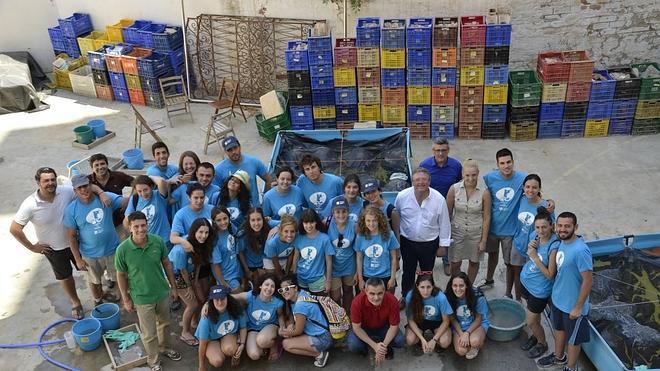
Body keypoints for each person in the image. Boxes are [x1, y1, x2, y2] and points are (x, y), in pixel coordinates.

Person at [11, 167, 88, 319]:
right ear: (38, 182)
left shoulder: (66, 191)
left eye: (53, 179)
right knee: (65, 277)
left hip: (76, 242)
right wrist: (32, 247)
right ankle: (75, 301)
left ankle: (99, 294)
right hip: (53, 249)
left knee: (90, 269)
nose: (50, 183)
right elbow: (15, 228)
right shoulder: (30, 204)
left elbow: (86, 190)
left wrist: (100, 193)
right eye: (46, 180)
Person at [116, 211, 181, 371]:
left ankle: (164, 348)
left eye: (143, 225)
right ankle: (154, 361)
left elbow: (167, 264)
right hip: (141, 297)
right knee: (149, 333)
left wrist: (173, 287)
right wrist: (126, 299)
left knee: (165, 324)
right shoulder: (123, 250)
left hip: (162, 293)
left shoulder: (157, 241)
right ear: (130, 228)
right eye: (136, 226)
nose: (140, 229)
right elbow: (121, 275)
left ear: (148, 225)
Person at [537, 212, 592, 371]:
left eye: (567, 226)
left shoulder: (581, 250)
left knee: (574, 340)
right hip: (558, 299)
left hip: (573, 306)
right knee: (559, 330)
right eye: (560, 226)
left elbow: (588, 280)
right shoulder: (561, 242)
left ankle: (571, 367)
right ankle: (559, 357)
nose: (563, 229)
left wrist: (578, 307)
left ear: (575, 227)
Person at [64, 174, 123, 306]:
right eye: (79, 188)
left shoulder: (105, 198)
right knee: (94, 281)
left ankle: (124, 298)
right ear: (75, 191)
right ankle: (98, 300)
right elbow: (72, 237)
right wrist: (78, 259)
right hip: (90, 254)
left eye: (85, 186)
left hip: (113, 249)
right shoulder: (71, 210)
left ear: (91, 186)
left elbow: (128, 201)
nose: (83, 190)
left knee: (119, 276)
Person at [394, 167, 451, 299]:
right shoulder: (402, 196)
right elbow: (397, 218)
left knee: (426, 273)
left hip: (429, 243)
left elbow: (444, 223)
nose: (420, 182)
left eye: (424, 179)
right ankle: (406, 297)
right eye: (417, 180)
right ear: (412, 182)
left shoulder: (439, 199)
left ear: (429, 181)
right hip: (407, 242)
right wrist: (396, 241)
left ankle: (424, 298)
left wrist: (443, 246)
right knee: (408, 272)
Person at [479, 148, 526, 290]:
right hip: (493, 228)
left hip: (510, 231)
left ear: (513, 162)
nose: (506, 166)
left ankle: (508, 291)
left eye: (509, 162)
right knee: (492, 256)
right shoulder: (489, 178)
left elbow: (535, 192)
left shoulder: (522, 179)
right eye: (502, 163)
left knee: (509, 263)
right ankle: (489, 279)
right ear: (497, 164)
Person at [518, 207, 559, 359]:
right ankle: (536, 335)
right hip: (526, 282)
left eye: (544, 227)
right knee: (535, 319)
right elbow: (530, 254)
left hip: (539, 290)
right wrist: (531, 249)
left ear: (551, 226)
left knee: (530, 321)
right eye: (537, 227)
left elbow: (550, 274)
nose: (540, 231)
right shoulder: (535, 235)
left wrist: (534, 256)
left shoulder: (553, 246)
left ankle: (542, 343)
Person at [168, 218, 217, 347]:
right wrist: (189, 286)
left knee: (201, 298)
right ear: (194, 231)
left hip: (190, 272)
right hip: (176, 274)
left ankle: (194, 322)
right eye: (200, 232)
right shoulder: (181, 250)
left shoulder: (202, 243)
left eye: (206, 232)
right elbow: (182, 270)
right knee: (193, 304)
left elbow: (199, 263)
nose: (204, 236)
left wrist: (195, 282)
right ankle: (185, 332)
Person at [419, 138, 462, 275]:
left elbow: (459, 186)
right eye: (437, 150)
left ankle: (446, 261)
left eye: (443, 150)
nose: (440, 154)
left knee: (446, 233)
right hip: (429, 206)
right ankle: (424, 262)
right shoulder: (424, 165)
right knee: (427, 233)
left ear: (448, 150)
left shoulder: (456, 166)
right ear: (433, 151)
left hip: (448, 207)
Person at [446, 159, 491, 284]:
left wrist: (483, 241)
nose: (470, 178)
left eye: (473, 175)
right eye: (467, 175)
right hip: (457, 231)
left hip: (476, 233)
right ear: (462, 175)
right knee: (455, 262)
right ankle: (455, 285)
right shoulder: (454, 189)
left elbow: (487, 217)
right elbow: (447, 213)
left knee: (474, 262)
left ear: (478, 174)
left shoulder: (484, 193)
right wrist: (445, 236)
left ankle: (469, 287)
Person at [511, 174, 554, 301]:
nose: (530, 190)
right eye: (528, 187)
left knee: (533, 276)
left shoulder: (546, 206)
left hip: (535, 249)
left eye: (534, 187)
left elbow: (552, 227)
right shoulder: (522, 199)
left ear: (540, 189)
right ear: (523, 187)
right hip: (518, 244)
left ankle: (530, 302)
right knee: (517, 273)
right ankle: (518, 299)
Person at [347, 277, 405, 365]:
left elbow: (394, 326)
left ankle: (385, 346)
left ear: (385, 291)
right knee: (353, 345)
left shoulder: (392, 300)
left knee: (400, 341)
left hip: (384, 327)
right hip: (364, 328)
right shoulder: (357, 302)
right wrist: (374, 346)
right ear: (365, 292)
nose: (376, 297)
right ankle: (367, 345)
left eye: (380, 293)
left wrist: (382, 348)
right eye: (372, 293)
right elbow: (357, 328)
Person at [279, 275, 333, 368]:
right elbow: (293, 316)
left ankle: (320, 354)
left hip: (322, 338)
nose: (284, 292)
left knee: (286, 344)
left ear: (295, 288)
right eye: (281, 290)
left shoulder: (300, 305)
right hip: (323, 333)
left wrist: (282, 332)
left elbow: (298, 331)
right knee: (289, 328)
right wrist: (291, 324)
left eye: (287, 288)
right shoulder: (302, 294)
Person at [232, 273, 286, 361]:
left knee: (262, 340)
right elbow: (233, 297)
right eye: (267, 284)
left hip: (270, 325)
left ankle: (274, 343)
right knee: (254, 355)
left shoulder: (277, 302)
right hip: (253, 328)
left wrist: (282, 328)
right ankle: (265, 347)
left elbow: (280, 315)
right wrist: (208, 303)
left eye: (272, 286)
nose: (269, 288)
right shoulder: (251, 296)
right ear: (261, 286)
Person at [196, 285, 247, 370]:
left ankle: (234, 349)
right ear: (212, 301)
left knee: (230, 349)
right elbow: (202, 344)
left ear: (227, 298)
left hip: (227, 334)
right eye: (216, 299)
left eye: (222, 298)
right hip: (211, 339)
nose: (220, 302)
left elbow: (243, 327)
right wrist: (201, 365)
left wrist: (242, 344)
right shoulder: (206, 317)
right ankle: (217, 349)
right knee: (217, 361)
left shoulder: (236, 308)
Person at [214, 136, 271, 206]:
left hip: (254, 210)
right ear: (225, 152)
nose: (234, 152)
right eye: (229, 150)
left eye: (235, 148)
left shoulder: (253, 162)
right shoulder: (219, 169)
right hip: (234, 213)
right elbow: (216, 192)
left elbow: (268, 179)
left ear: (239, 147)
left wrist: (265, 200)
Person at [445, 272, 489, 360]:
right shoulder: (448, 297)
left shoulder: (477, 296)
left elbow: (478, 319)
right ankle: (468, 342)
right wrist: (462, 334)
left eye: (461, 285)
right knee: (461, 351)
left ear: (467, 286)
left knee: (475, 341)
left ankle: (475, 345)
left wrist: (467, 333)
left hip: (476, 324)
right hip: (459, 326)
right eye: (455, 286)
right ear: (451, 286)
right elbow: (452, 319)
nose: (458, 289)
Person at [405, 274, 453, 354]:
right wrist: (422, 339)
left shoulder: (441, 297)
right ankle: (420, 340)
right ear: (417, 286)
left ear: (433, 286)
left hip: (436, 321)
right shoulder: (410, 296)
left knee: (445, 342)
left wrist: (434, 340)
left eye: (428, 287)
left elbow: (446, 321)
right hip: (419, 320)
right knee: (410, 340)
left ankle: (436, 343)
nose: (425, 291)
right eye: (422, 287)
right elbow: (410, 320)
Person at [355, 206, 399, 293]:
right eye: (368, 221)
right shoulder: (360, 237)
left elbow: (394, 258)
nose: (371, 224)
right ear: (364, 221)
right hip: (367, 275)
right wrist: (360, 279)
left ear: (379, 220)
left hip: (385, 275)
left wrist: (393, 278)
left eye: (374, 220)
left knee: (386, 302)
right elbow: (359, 258)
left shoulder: (389, 235)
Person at [291, 209, 335, 295]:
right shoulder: (299, 237)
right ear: (302, 223)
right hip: (301, 278)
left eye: (311, 222)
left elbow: (329, 262)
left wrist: (328, 281)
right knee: (305, 306)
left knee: (320, 306)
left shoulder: (324, 239)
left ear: (316, 222)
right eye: (306, 223)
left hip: (317, 280)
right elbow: (296, 257)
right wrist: (294, 275)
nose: (309, 226)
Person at [326, 197, 357, 313]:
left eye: (344, 211)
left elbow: (359, 247)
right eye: (337, 212)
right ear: (333, 212)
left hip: (349, 265)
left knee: (348, 291)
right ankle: (338, 316)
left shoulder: (354, 225)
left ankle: (348, 314)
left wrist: (358, 272)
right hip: (333, 266)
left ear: (348, 211)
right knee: (335, 296)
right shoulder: (327, 223)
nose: (341, 215)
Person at [123, 175, 171, 250]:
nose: (143, 194)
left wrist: (149, 176)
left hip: (164, 241)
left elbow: (161, 181)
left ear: (151, 187)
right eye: (139, 191)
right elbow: (128, 219)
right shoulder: (135, 199)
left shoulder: (158, 195)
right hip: (146, 244)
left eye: (145, 190)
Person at [87, 153, 133, 227]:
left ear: (107, 164)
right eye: (96, 165)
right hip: (100, 223)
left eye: (102, 164)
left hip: (119, 221)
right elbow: (77, 188)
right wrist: (100, 192)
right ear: (92, 168)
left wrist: (131, 198)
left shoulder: (118, 176)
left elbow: (136, 183)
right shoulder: (87, 180)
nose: (100, 167)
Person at [170, 183, 214, 251]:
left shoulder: (212, 210)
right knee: (178, 250)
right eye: (196, 198)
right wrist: (184, 242)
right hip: (191, 247)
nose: (199, 201)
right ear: (189, 197)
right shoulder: (180, 214)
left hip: (209, 245)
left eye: (202, 197)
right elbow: (173, 238)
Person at [211, 207, 242, 292]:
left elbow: (237, 250)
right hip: (227, 278)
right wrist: (223, 283)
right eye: (219, 220)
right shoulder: (214, 240)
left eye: (225, 218)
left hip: (238, 272)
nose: (223, 222)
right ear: (214, 221)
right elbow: (215, 265)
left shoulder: (231, 228)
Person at [238, 208, 270, 284]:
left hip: (265, 264)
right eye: (253, 220)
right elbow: (240, 253)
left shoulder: (268, 229)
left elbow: (281, 224)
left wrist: (275, 227)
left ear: (263, 219)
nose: (256, 223)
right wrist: (247, 271)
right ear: (248, 221)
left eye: (259, 219)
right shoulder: (243, 234)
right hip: (250, 266)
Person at [264, 214, 297, 279]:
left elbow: (291, 254)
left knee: (291, 275)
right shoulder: (272, 243)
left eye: (292, 231)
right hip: (271, 259)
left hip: (286, 257)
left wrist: (287, 273)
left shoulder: (296, 236)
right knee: (273, 277)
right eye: (286, 231)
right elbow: (275, 263)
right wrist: (282, 278)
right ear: (281, 231)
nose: (289, 235)